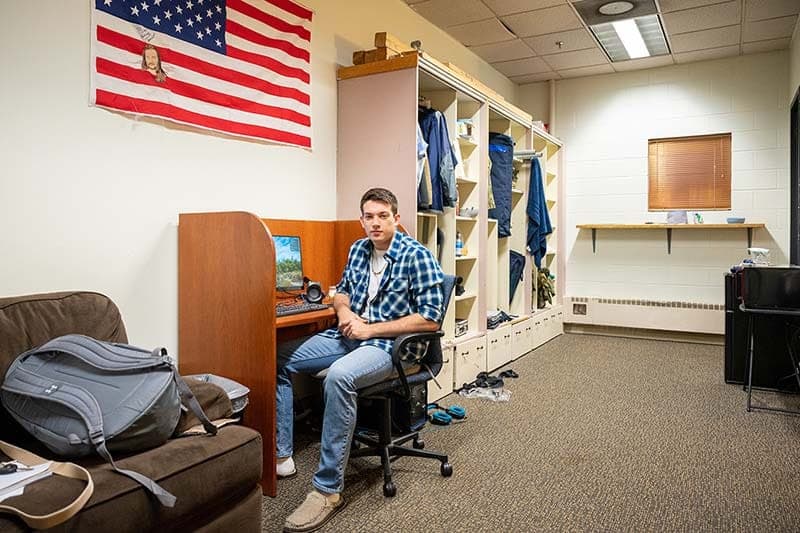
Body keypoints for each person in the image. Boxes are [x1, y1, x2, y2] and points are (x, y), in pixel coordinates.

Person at [277, 187, 445, 532]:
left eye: (383, 216)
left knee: (339, 377)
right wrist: (343, 314)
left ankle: (327, 491)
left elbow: (430, 319)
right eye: (369, 216)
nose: (375, 223)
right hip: (351, 334)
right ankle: (282, 454)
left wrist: (371, 330)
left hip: (391, 347)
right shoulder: (357, 249)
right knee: (280, 357)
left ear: (396, 219)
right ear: (362, 220)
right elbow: (342, 291)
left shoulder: (417, 256)